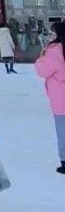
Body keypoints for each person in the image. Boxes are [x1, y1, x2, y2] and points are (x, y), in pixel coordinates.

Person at [34, 17, 65, 172]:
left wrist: (41, 58)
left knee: (63, 131)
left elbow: (42, 70)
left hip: (61, 100)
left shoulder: (54, 52)